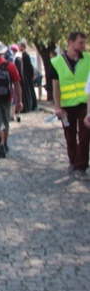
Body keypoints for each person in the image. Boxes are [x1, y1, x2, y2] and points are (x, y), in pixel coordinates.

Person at [51, 32, 90, 181]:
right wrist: (57, 107)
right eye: (80, 42)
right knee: (70, 135)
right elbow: (55, 86)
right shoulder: (56, 62)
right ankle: (73, 162)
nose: (83, 45)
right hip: (67, 105)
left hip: (84, 104)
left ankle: (81, 166)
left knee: (85, 134)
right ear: (70, 43)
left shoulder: (88, 59)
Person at [18, 41, 38, 111]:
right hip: (26, 75)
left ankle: (34, 104)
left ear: (23, 47)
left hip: (28, 75)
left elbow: (29, 66)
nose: (19, 48)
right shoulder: (22, 55)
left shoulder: (25, 56)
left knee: (31, 89)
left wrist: (31, 75)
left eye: (20, 46)